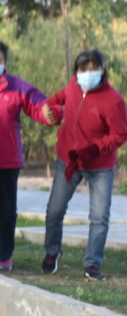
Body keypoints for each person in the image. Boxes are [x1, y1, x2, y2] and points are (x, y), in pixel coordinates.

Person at [40, 49, 127, 280]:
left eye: (93, 69)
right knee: (54, 210)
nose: (88, 74)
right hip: (68, 159)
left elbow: (120, 134)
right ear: (76, 72)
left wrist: (95, 148)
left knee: (99, 216)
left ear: (103, 70)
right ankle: (52, 251)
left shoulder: (114, 100)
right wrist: (49, 107)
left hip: (100, 166)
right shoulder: (73, 86)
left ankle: (92, 265)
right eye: (83, 70)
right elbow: (58, 99)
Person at [0, 40, 58, 271]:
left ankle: (4, 254)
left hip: (7, 160)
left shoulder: (17, 87)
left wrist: (52, 113)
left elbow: (41, 107)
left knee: (7, 211)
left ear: (5, 64)